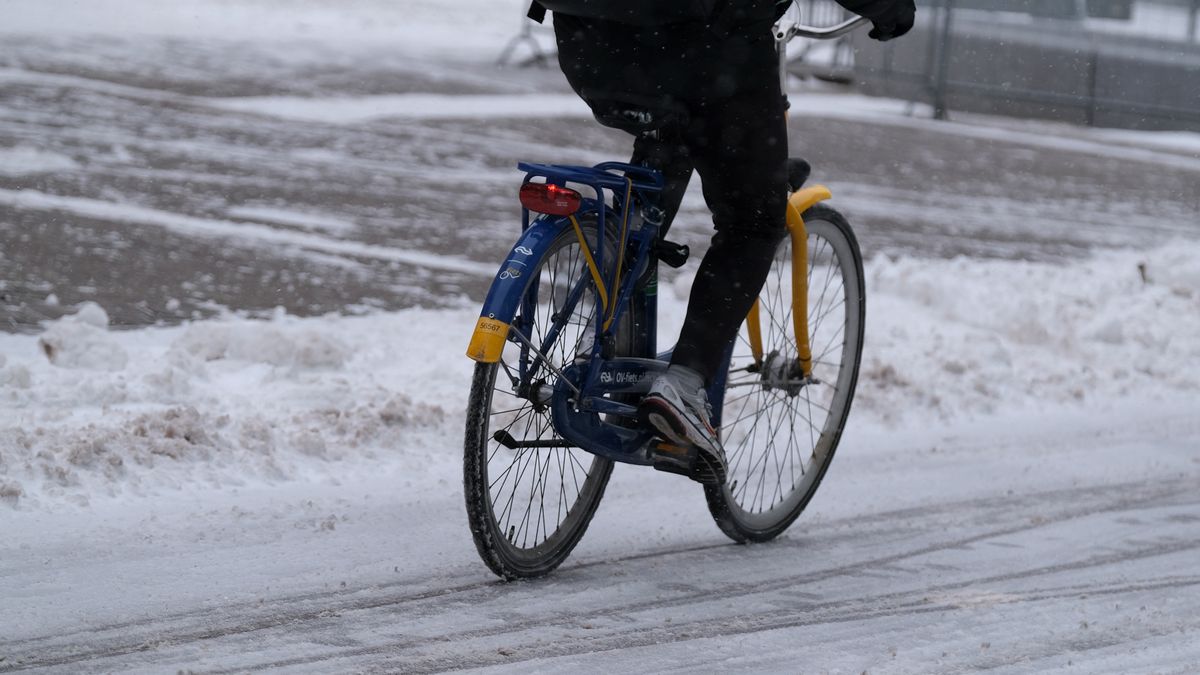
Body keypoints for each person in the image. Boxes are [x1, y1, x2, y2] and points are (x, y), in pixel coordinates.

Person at [537, 0, 915, 484]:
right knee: (754, 222)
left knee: (665, 138)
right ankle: (685, 385)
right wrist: (889, 11)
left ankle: (603, 328)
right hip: (711, 50)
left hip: (595, 45)